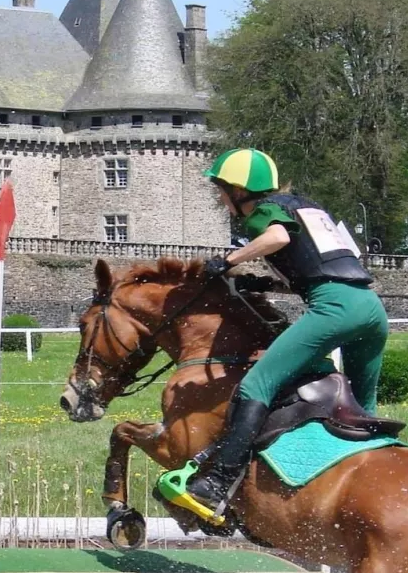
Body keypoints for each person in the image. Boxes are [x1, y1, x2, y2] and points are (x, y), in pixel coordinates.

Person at [160, 147, 388, 512]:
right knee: (362, 411)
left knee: (256, 385)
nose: (221, 199)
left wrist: (230, 260)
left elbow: (278, 238)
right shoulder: (305, 207)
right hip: (371, 309)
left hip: (336, 309)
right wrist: (267, 285)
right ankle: (374, 484)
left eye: (221, 190)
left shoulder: (260, 216)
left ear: (239, 191)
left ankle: (217, 484)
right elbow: (323, 268)